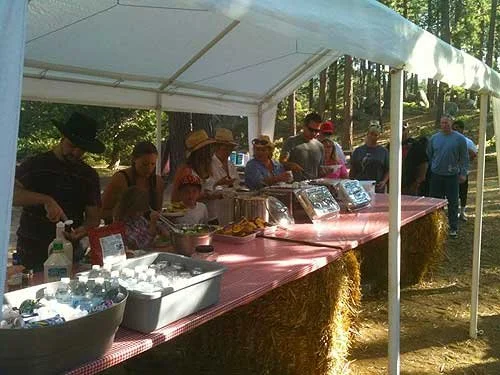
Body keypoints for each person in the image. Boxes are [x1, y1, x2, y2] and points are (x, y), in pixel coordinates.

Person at [14, 112, 104, 270]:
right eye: (72, 145)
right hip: (31, 251)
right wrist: (45, 200)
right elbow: (11, 196)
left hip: (70, 253)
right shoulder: (35, 165)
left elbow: (94, 218)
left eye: (82, 149)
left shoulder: (88, 175)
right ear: (62, 137)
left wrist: (83, 230)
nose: (76, 152)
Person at [101, 141, 164, 223]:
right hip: (122, 230)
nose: (149, 169)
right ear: (134, 159)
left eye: (153, 164)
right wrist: (123, 212)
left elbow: (158, 211)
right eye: (144, 164)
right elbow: (102, 211)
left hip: (149, 231)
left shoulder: (158, 182)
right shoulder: (121, 179)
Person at [427, 115, 469, 238]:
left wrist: (463, 173)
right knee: (435, 201)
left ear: (451, 123)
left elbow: (464, 158)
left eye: (446, 123)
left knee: (453, 202)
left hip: (452, 176)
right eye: (442, 123)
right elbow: (430, 154)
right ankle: (436, 225)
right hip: (436, 175)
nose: (444, 125)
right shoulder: (434, 138)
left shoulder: (459, 139)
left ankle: (453, 228)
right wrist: (434, 166)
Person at [171, 129, 216, 202]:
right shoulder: (186, 171)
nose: (209, 151)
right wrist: (206, 196)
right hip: (190, 212)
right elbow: (176, 199)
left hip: (207, 211)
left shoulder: (207, 167)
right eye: (205, 148)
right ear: (197, 152)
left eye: (209, 147)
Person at [206, 128, 240, 224]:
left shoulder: (231, 164)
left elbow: (237, 185)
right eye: (225, 148)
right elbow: (207, 189)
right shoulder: (209, 164)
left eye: (230, 148)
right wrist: (219, 183)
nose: (228, 151)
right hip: (215, 211)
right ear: (217, 147)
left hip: (231, 209)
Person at [280, 112, 325, 181]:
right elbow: (282, 162)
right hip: (295, 186)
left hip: (314, 186)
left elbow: (320, 170)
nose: (314, 133)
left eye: (317, 131)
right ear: (304, 126)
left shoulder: (320, 146)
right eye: (311, 129)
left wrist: (327, 171)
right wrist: (291, 165)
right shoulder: (291, 141)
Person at [349, 121, 389, 193]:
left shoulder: (384, 152)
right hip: (360, 185)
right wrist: (351, 183)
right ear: (367, 134)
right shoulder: (358, 151)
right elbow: (353, 169)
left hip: (377, 186)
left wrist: (384, 181)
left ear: (378, 136)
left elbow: (388, 170)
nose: (373, 137)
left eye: (375, 135)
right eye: (371, 134)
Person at [453, 120, 478, 221]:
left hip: (462, 172)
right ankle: (453, 212)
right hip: (450, 172)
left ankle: (462, 212)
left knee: (463, 193)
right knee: (452, 193)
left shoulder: (467, 142)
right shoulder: (450, 140)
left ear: (462, 129)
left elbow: (473, 154)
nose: (455, 130)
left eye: (457, 128)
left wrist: (465, 163)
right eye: (453, 128)